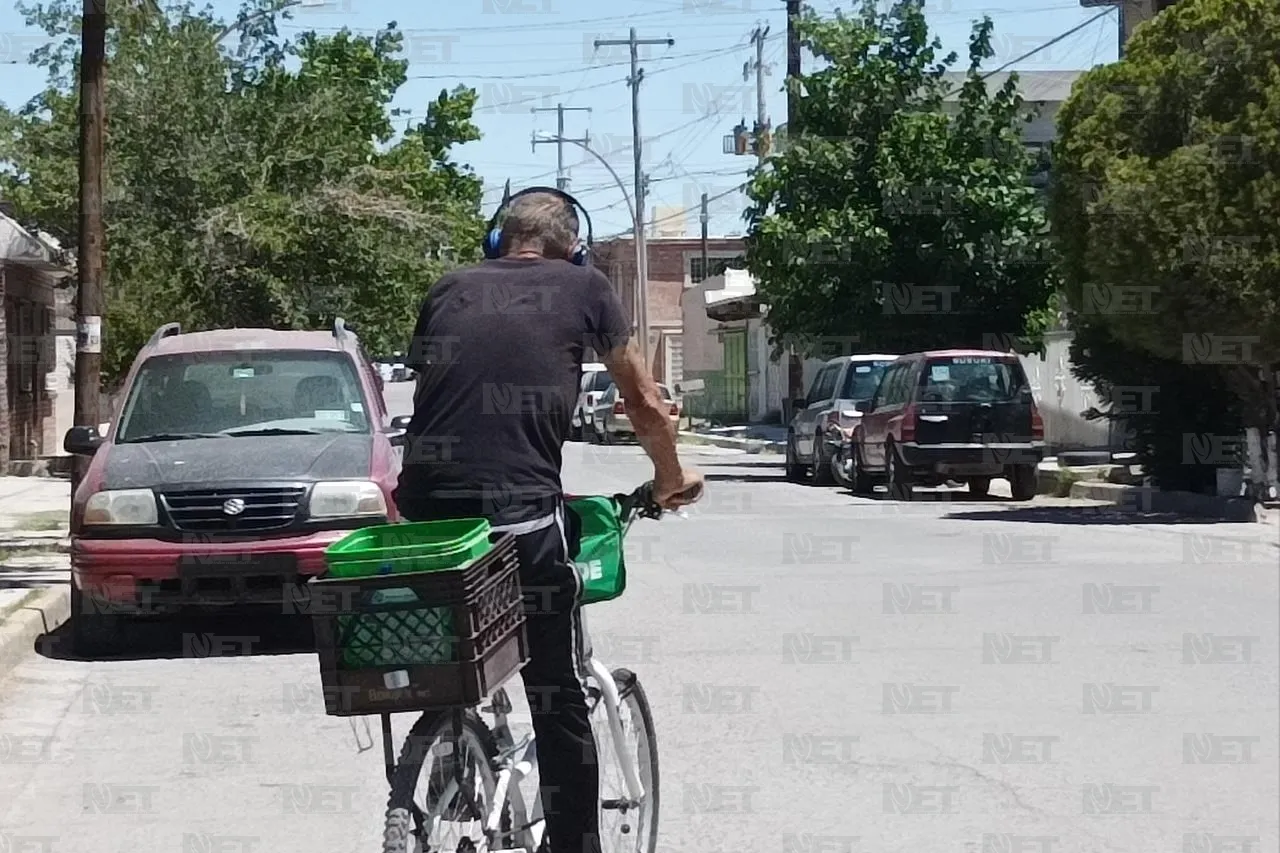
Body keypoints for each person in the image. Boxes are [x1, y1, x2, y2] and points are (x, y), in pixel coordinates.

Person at [393, 188, 704, 853]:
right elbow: (645, 403)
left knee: (455, 653)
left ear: (498, 243)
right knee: (557, 692)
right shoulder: (586, 286)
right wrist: (672, 478)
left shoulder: (447, 288)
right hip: (522, 520)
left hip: (422, 518)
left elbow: (441, 397)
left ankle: (451, 758)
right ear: (576, 248)